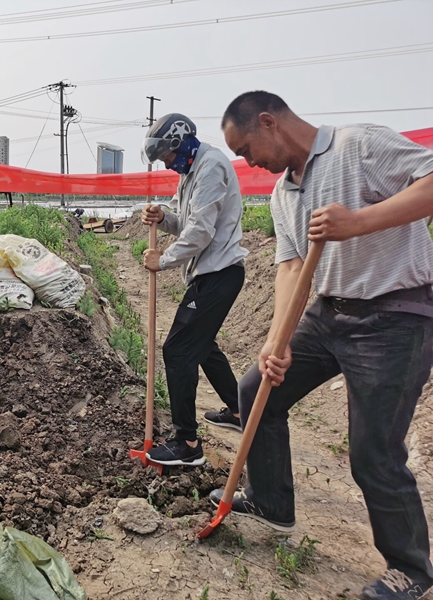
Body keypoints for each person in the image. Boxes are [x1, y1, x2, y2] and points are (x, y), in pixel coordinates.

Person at [215, 90, 433, 600]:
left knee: (373, 451)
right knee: (258, 389)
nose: (249, 163)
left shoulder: (359, 145)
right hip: (330, 312)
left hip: (395, 314)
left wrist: (359, 222)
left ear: (269, 122)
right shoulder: (283, 194)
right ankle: (271, 502)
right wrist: (278, 341)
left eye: (247, 150)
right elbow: (291, 268)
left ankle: (411, 568)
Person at [139, 113, 248, 467]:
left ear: (182, 143)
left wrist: (163, 260)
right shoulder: (190, 173)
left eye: (167, 156)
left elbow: (200, 231)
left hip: (219, 274)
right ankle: (239, 410)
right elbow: (185, 224)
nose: (167, 164)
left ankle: (187, 443)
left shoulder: (210, 166)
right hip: (211, 274)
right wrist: (163, 218)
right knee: (202, 346)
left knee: (178, 350)